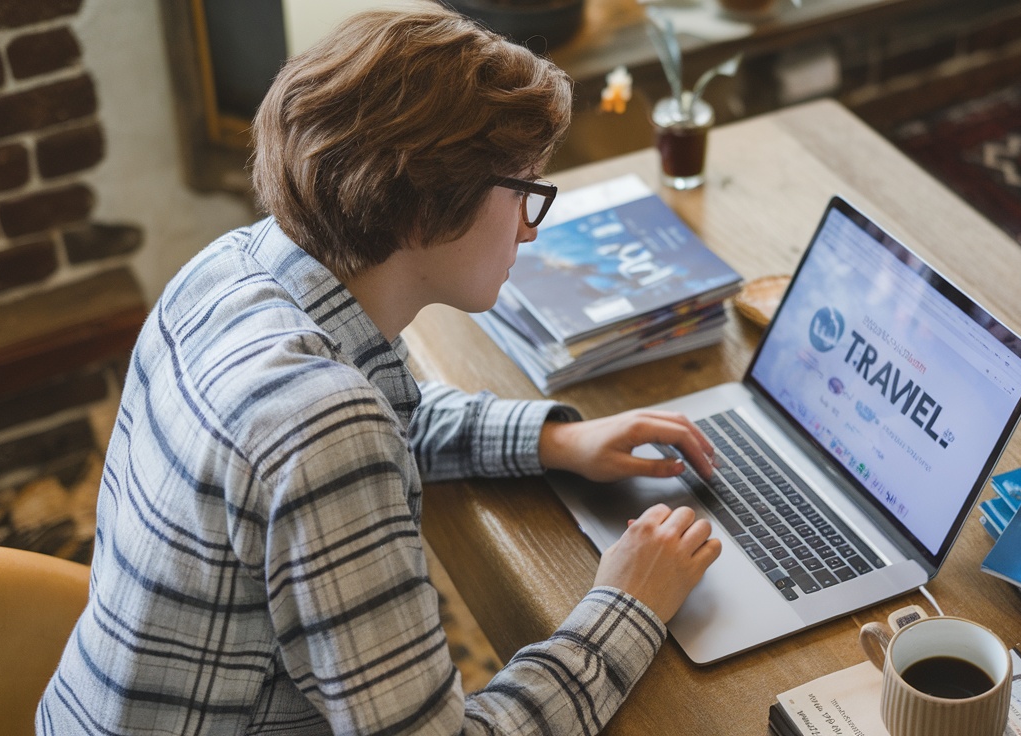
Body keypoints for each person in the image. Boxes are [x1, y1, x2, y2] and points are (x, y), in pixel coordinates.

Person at [37, 4, 722, 734]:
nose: (529, 225)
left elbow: (383, 414)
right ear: (424, 211)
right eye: (524, 191)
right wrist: (628, 604)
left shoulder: (236, 267)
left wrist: (555, 439)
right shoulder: (326, 430)